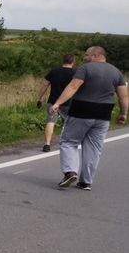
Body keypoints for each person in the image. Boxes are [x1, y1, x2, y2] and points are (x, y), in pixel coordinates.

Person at [50, 46, 128, 190]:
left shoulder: (86, 68)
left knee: (69, 141)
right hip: (104, 113)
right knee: (94, 147)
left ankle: (70, 172)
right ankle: (86, 181)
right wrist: (123, 113)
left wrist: (57, 103)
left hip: (82, 109)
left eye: (87, 54)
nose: (84, 57)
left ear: (95, 55)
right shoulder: (116, 72)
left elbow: (73, 86)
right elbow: (123, 96)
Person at [34, 53, 75, 152]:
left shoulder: (54, 71)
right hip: (68, 102)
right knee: (69, 123)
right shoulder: (76, 73)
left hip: (53, 101)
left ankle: (47, 144)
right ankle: (68, 143)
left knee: (50, 121)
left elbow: (44, 85)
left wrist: (39, 98)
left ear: (63, 61)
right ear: (73, 62)